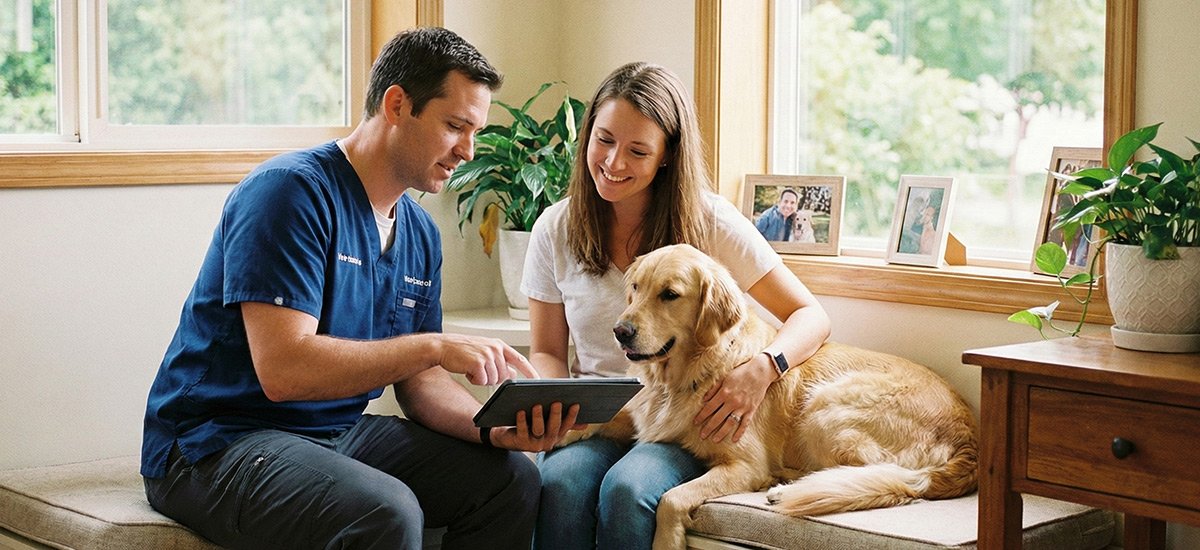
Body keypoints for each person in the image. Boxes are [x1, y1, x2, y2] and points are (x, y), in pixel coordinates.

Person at [140, 27, 575, 550]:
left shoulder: (418, 232)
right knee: (384, 511)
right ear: (397, 105)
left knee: (511, 479)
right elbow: (283, 370)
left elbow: (420, 383)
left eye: (475, 131)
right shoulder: (288, 193)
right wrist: (433, 345)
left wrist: (492, 429)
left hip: (332, 434)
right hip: (217, 442)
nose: (468, 150)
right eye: (455, 126)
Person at [521, 62, 832, 550]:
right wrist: (546, 403)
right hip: (604, 411)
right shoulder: (555, 229)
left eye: (638, 150)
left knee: (628, 490)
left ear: (666, 157)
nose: (613, 162)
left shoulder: (711, 221)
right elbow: (546, 352)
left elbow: (811, 316)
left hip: (686, 411)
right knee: (559, 483)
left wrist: (760, 370)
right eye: (603, 140)